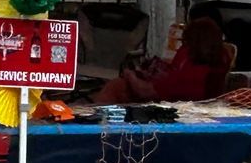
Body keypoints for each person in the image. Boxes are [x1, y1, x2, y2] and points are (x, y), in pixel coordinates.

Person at [96, 17, 229, 104]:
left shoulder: (189, 75)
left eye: (186, 42)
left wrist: (130, 75)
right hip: (187, 101)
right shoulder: (220, 58)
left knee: (117, 87)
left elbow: (146, 91)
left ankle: (96, 129)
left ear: (192, 43)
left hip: (169, 106)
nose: (183, 46)